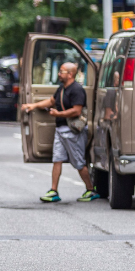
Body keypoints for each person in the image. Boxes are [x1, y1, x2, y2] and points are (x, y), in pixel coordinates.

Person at [22, 62, 99, 202]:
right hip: (60, 131)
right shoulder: (62, 89)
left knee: (79, 163)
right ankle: (53, 190)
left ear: (70, 74)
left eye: (61, 71)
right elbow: (51, 101)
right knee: (57, 159)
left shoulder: (77, 90)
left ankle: (90, 190)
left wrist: (58, 114)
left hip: (72, 131)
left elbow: (77, 110)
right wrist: (33, 105)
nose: (59, 74)